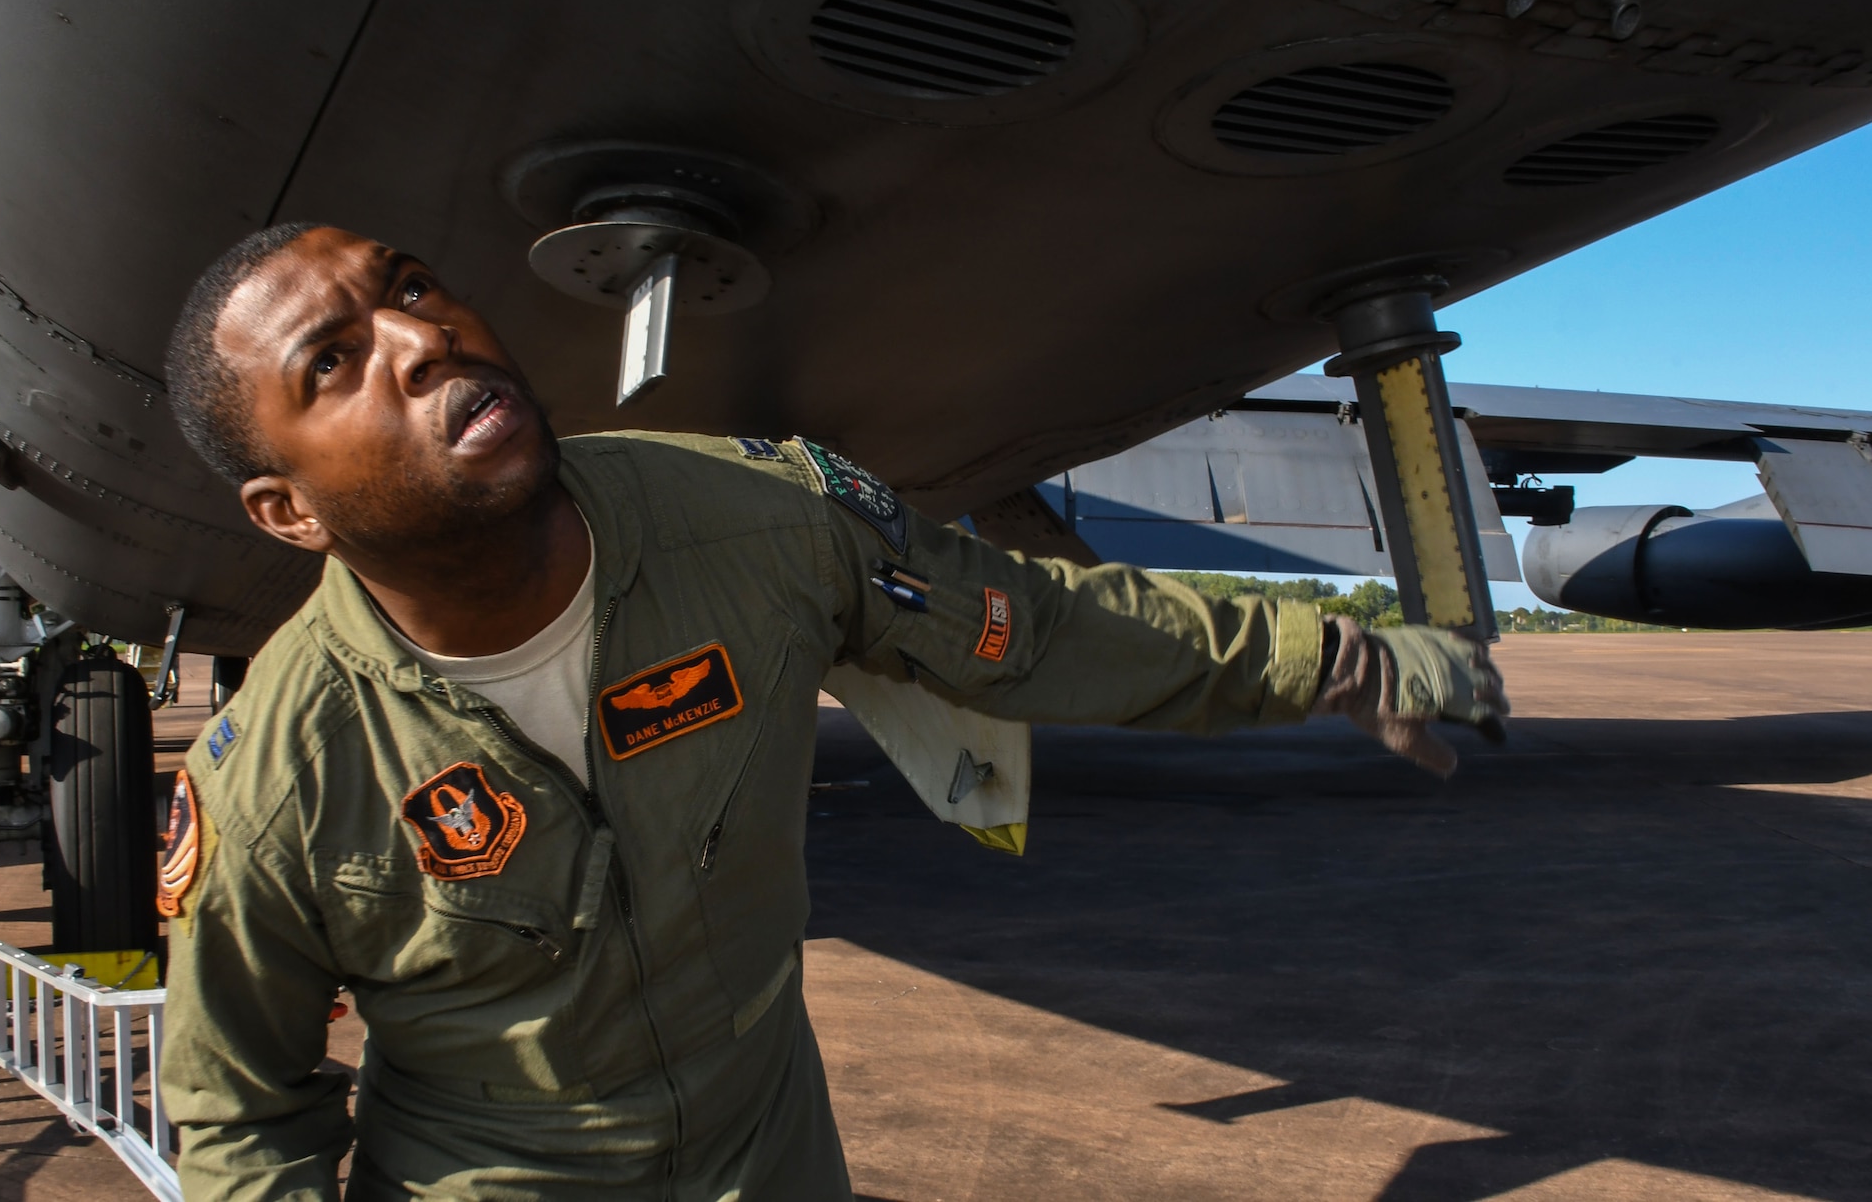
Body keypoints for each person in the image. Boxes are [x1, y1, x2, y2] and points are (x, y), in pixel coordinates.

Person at [155, 223, 1507, 1201]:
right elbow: (238, 1118)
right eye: (334, 361)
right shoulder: (276, 780)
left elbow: (1027, 628)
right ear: (290, 511)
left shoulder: (766, 521)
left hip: (770, 1157)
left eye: (413, 285)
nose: (420, 335)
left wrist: (1333, 658)